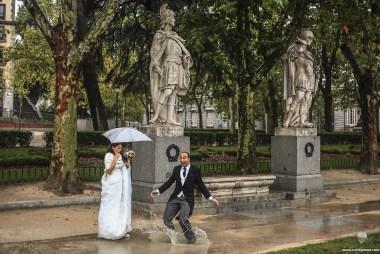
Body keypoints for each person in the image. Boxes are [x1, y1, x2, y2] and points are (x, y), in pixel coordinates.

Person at [150, 152, 219, 244]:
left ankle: (191, 239)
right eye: (181, 158)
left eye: (184, 158)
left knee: (183, 220)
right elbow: (169, 182)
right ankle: (173, 236)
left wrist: (210, 198)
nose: (182, 160)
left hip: (187, 199)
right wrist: (158, 191)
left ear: (188, 159)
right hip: (175, 198)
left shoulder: (195, 170)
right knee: (166, 219)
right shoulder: (176, 169)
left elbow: (201, 185)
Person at [149, 4, 193, 126]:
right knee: (167, 92)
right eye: (172, 17)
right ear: (167, 19)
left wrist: (185, 59)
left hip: (178, 67)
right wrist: (156, 66)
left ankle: (170, 118)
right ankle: (156, 116)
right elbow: (155, 53)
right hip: (168, 66)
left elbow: (183, 53)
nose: (174, 20)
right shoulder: (159, 35)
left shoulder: (176, 36)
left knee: (173, 93)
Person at [283, 29, 318, 128]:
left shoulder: (309, 54)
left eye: (312, 39)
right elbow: (290, 57)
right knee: (298, 98)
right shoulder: (296, 49)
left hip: (310, 80)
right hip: (301, 78)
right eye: (309, 38)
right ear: (305, 38)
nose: (311, 40)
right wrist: (299, 49)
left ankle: (303, 121)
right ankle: (288, 120)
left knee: (307, 101)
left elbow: (313, 68)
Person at [98, 143, 132, 240]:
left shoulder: (120, 155)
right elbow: (109, 171)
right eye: (118, 147)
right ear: (112, 147)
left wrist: (127, 164)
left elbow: (122, 168)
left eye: (120, 148)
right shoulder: (108, 156)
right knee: (111, 205)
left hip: (120, 184)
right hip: (112, 185)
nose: (119, 149)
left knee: (120, 204)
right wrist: (115, 159)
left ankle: (121, 229)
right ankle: (110, 230)